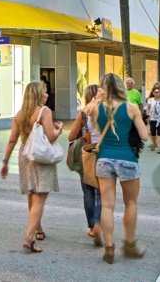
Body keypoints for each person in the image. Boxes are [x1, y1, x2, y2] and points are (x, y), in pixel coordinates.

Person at [86, 73, 148, 264]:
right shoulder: (131, 108)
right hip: (127, 159)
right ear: (121, 86)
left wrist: (97, 98)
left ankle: (109, 247)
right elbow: (145, 136)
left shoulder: (97, 108)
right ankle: (129, 243)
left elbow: (85, 110)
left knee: (107, 205)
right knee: (131, 203)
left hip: (104, 159)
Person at [1, 81, 62, 253]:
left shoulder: (20, 114)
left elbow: (12, 140)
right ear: (37, 94)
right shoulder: (44, 111)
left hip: (25, 155)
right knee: (40, 197)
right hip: (40, 156)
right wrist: (59, 130)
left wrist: (5, 161)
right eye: (44, 92)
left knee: (32, 193)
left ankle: (37, 229)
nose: (47, 95)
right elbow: (50, 137)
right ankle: (28, 238)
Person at [68, 84, 103, 247]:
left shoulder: (83, 114)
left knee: (88, 192)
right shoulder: (106, 113)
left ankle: (91, 227)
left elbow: (71, 137)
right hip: (102, 153)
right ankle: (99, 223)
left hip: (87, 155)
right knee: (101, 193)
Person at [145, 83, 160, 154]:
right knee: (152, 133)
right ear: (153, 93)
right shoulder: (150, 100)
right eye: (155, 92)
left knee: (159, 133)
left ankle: (159, 148)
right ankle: (153, 143)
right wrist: (148, 116)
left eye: (158, 92)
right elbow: (148, 108)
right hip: (152, 118)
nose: (157, 93)